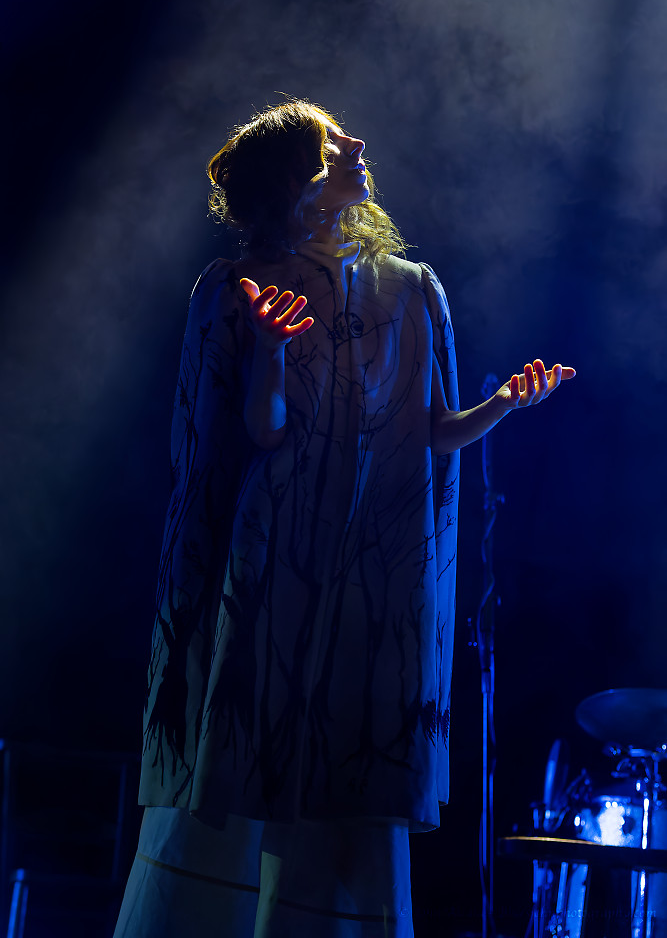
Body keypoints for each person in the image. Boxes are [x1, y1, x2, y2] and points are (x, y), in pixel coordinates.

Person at [113, 99, 575, 938]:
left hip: (370, 578)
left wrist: (503, 403)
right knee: (250, 764)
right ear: (290, 184)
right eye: (328, 147)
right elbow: (259, 434)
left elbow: (432, 432)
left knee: (340, 779)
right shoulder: (232, 289)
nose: (357, 145)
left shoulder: (409, 291)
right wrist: (270, 352)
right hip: (270, 571)